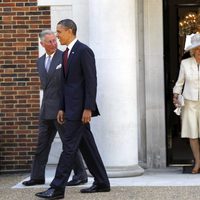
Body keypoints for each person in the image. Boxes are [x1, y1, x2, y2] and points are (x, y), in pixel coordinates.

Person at [35, 19, 110, 199]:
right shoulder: (66, 54)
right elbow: (66, 84)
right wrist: (61, 108)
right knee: (87, 147)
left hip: (80, 111)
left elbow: (91, 82)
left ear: (69, 31)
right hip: (69, 109)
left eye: (59, 32)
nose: (57, 36)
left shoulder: (83, 51)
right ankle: (102, 182)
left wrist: (88, 108)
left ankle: (57, 188)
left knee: (68, 147)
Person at [22, 29, 88, 187]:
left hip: (61, 110)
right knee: (41, 145)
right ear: (42, 44)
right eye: (50, 41)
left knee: (68, 144)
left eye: (54, 40)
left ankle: (80, 175)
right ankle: (37, 176)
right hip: (45, 111)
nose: (54, 43)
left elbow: (69, 85)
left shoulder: (64, 57)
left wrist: (65, 108)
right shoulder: (39, 61)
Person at [173, 33, 200, 174]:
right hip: (189, 103)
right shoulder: (185, 63)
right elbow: (179, 82)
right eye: (197, 48)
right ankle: (198, 162)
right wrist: (176, 95)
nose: (199, 50)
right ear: (193, 50)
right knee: (193, 135)